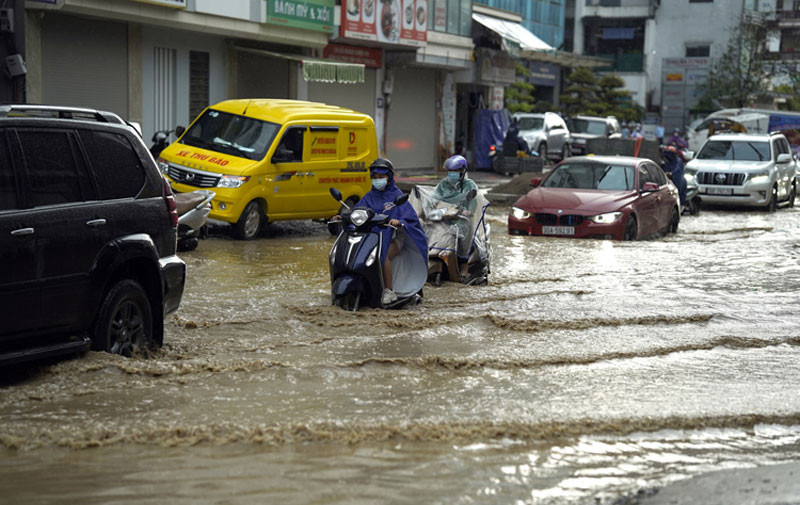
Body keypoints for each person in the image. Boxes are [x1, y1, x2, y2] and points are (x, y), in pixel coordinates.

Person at [350, 158, 428, 305]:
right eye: (375, 178)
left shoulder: (397, 196)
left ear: (389, 177)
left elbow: (411, 218)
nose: (377, 180)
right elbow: (357, 212)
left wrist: (399, 222)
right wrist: (344, 216)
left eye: (381, 177)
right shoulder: (368, 197)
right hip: (371, 238)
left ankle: (389, 291)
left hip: (394, 238)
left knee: (383, 256)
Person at [431, 155, 480, 281]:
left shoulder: (470, 185)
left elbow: (473, 201)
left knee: (463, 232)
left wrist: (468, 211)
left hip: (461, 219)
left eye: (456, 171)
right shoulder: (443, 184)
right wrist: (430, 207)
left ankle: (464, 266)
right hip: (445, 217)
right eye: (450, 171)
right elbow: (434, 198)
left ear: (463, 171)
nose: (452, 174)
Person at [661, 145, 687, 211]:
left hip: (678, 180)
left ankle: (681, 205)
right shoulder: (667, 162)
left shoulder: (678, 161)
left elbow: (677, 169)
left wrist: (670, 173)